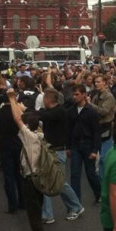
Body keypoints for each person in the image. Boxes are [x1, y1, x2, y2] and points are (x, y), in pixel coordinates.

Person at [6, 89, 52, 231]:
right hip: (39, 178)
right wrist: (16, 102)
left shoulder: (29, 137)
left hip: (30, 179)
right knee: (36, 211)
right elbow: (23, 115)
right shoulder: (39, 133)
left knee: (34, 217)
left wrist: (11, 98)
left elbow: (18, 118)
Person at [38, 87, 84, 223]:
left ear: (48, 99)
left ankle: (76, 206)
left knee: (59, 183)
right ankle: (47, 215)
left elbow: (41, 116)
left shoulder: (59, 112)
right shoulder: (54, 111)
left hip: (57, 152)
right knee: (45, 182)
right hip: (50, 151)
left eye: (44, 98)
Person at [67, 84, 102, 205]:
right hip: (75, 145)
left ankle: (99, 194)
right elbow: (69, 130)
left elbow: (97, 132)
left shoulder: (91, 111)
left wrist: (95, 150)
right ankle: (76, 202)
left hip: (88, 145)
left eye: (77, 94)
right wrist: (68, 146)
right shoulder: (71, 110)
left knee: (90, 173)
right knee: (74, 175)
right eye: (73, 94)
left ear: (84, 95)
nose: (74, 97)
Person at [88, 74, 116, 176]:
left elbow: (104, 111)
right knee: (98, 158)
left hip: (106, 128)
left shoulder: (109, 96)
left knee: (105, 157)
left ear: (104, 82)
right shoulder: (96, 96)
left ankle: (107, 180)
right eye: (95, 82)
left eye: (98, 82)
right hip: (97, 128)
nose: (96, 84)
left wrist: (90, 104)